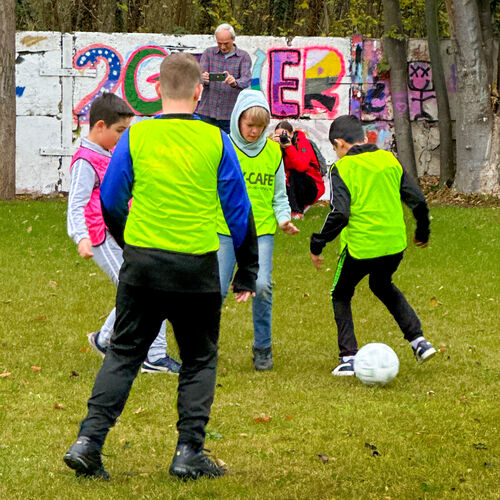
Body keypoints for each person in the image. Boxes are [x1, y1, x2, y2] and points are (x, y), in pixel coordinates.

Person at [63, 53, 259, 480]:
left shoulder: (136, 137)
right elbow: (239, 211)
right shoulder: (217, 140)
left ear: (155, 90)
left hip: (144, 266)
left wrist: (128, 242)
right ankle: (189, 451)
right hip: (197, 268)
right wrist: (248, 268)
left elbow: (111, 199)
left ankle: (88, 441)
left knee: (123, 354)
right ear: (199, 92)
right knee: (199, 360)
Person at [309, 115, 436, 376]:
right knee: (382, 285)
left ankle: (348, 357)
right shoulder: (389, 160)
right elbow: (419, 201)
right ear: (365, 138)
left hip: (361, 248)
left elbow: (340, 214)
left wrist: (318, 242)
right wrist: (422, 231)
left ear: (340, 144)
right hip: (393, 246)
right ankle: (419, 341)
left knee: (341, 294)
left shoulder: (341, 169)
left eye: (335, 149)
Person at [67, 93, 180, 374]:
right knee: (142, 289)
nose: (122, 138)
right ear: (100, 126)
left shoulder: (109, 154)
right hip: (101, 236)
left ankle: (106, 340)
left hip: (126, 233)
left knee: (143, 287)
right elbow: (75, 205)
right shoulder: (85, 161)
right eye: (120, 132)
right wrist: (81, 237)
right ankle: (153, 356)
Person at [217, 89, 299, 371]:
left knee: (262, 286)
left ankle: (262, 348)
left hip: (261, 230)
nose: (254, 132)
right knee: (215, 289)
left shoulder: (274, 152)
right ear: (237, 120)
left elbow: (279, 195)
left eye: (260, 127)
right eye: (249, 125)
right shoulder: (224, 147)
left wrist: (284, 218)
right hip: (224, 230)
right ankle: (204, 348)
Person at [196, 23, 252, 134]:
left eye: (226, 43)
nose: (222, 47)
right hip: (207, 110)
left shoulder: (243, 57)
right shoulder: (208, 53)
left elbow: (246, 80)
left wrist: (235, 82)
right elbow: (198, 76)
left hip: (230, 113)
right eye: (219, 43)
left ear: (233, 39)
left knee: (229, 146)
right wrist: (203, 78)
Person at [273, 121, 325, 220]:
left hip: (311, 187)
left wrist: (289, 147)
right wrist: (272, 146)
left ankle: (298, 211)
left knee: (295, 173)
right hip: (290, 185)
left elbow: (301, 167)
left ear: (292, 134)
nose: (282, 138)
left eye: (284, 135)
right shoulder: (276, 146)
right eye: (279, 136)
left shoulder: (303, 142)